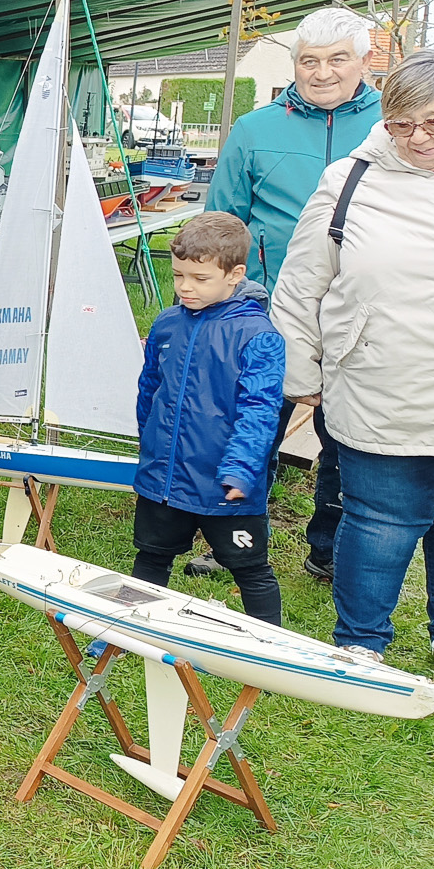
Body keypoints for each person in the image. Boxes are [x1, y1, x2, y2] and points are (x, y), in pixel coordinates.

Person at [271, 45, 434, 681]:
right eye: (404, 122)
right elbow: (300, 287)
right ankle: (359, 640)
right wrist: (301, 375)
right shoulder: (349, 181)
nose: (418, 137)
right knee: (380, 519)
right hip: (380, 384)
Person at [207, 7, 381, 580]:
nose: (322, 72)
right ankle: (229, 535)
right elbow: (222, 221)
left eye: (338, 59)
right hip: (269, 310)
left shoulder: (395, 126)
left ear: (366, 59)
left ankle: (330, 549)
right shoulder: (255, 129)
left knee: (346, 437)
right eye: (309, 60)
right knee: (253, 423)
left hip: (366, 314)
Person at [131, 211, 286, 624]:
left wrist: (240, 470)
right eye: (179, 274)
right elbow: (149, 391)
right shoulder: (166, 324)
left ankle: (273, 649)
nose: (184, 287)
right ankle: (127, 634)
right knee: (151, 557)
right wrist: (148, 444)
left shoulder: (258, 335)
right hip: (164, 477)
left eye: (199, 279)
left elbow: (261, 411)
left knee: (250, 568)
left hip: (225, 482)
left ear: (235, 274)